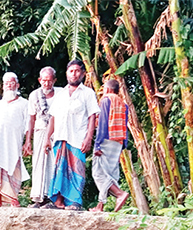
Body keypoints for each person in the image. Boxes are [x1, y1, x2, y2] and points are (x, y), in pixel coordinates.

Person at [44, 59, 100, 211]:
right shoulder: (60, 94)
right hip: (60, 138)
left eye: (77, 71)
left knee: (76, 170)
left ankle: (74, 202)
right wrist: (47, 139)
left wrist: (89, 138)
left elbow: (92, 117)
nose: (74, 74)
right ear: (67, 73)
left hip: (78, 138)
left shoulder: (88, 93)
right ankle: (58, 201)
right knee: (59, 169)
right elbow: (53, 118)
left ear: (82, 73)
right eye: (71, 71)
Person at [0, 72, 30, 207]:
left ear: (17, 85)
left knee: (13, 168)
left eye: (12, 83)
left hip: (13, 143)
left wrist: (27, 142)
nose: (9, 86)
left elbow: (28, 125)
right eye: (7, 83)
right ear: (3, 86)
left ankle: (13, 199)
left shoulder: (24, 104)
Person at [90, 79, 130, 212]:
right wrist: (124, 144)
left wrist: (97, 145)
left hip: (106, 140)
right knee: (109, 173)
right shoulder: (123, 104)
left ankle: (120, 194)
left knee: (98, 173)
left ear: (107, 89)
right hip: (118, 142)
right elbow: (125, 125)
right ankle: (100, 205)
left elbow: (102, 124)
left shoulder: (106, 100)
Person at [24, 67, 61, 208]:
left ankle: (54, 198)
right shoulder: (34, 95)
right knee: (39, 163)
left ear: (54, 80)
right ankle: (38, 198)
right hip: (40, 132)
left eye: (49, 81)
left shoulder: (60, 93)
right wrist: (28, 140)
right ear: (40, 80)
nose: (46, 84)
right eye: (44, 81)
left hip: (56, 133)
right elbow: (31, 119)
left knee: (54, 163)